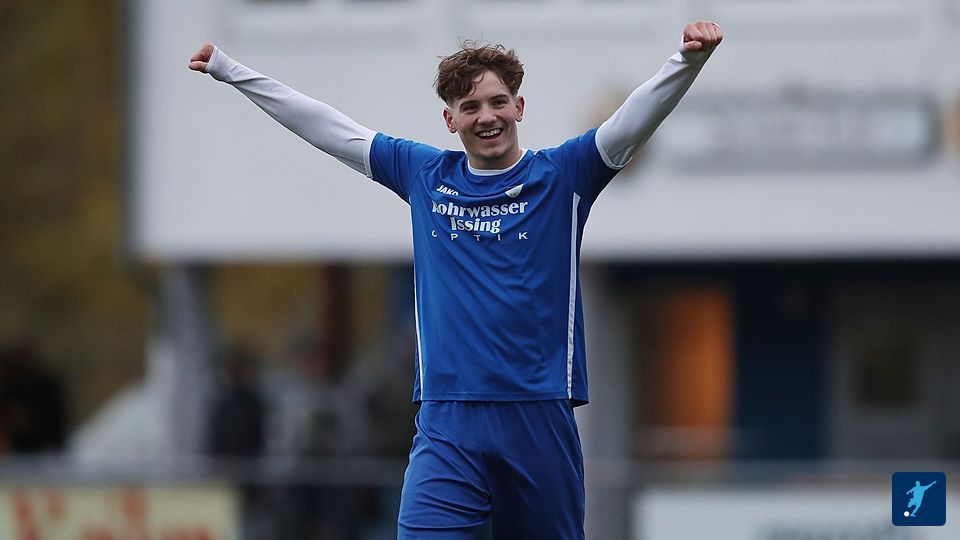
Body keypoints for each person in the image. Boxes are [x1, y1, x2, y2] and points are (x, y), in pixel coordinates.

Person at [189, 21, 722, 539]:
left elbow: (631, 122)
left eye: (497, 102)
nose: (486, 117)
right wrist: (232, 71)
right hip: (448, 421)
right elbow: (329, 128)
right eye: (470, 107)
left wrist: (687, 60)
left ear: (519, 107)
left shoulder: (563, 176)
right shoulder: (424, 175)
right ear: (450, 119)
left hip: (537, 415)